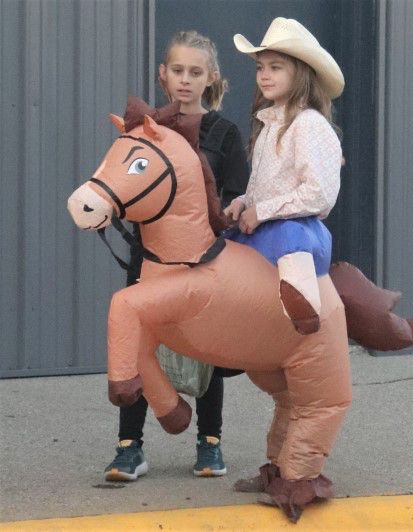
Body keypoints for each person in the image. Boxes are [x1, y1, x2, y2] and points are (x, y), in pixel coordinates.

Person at [104, 30, 249, 481]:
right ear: (163, 75)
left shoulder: (224, 134)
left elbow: (234, 194)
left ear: (211, 79)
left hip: (202, 262)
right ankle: (130, 448)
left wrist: (228, 212)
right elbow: (125, 183)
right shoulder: (147, 130)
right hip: (148, 257)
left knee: (204, 345)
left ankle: (210, 443)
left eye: (195, 72)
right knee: (139, 342)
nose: (185, 80)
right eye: (178, 71)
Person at [224, 17, 344, 337]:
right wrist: (243, 202)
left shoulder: (308, 124)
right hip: (263, 226)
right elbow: (264, 185)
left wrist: (261, 211)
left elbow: (318, 193)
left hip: (297, 232)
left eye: (275, 67)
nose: (264, 75)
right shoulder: (269, 124)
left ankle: (302, 310)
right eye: (260, 67)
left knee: (289, 239)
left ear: (301, 72)